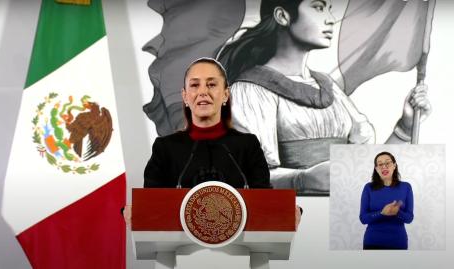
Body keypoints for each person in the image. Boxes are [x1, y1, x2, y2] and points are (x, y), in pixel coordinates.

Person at [218, 0, 431, 195]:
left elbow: (366, 171)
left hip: (343, 220)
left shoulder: (330, 90)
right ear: (283, 16)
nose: (330, 18)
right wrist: (302, 179)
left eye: (329, 8)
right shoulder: (250, 91)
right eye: (318, 7)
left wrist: (404, 127)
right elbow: (245, 179)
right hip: (294, 223)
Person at [124, 57, 302, 228]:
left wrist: (286, 211)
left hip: (240, 252)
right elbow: (151, 205)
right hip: (179, 255)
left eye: (211, 84)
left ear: (225, 94)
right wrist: (133, 211)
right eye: (195, 85)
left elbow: (264, 202)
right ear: (185, 96)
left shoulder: (248, 146)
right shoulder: (165, 148)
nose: (203, 92)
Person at [359, 152, 414, 249]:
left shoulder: (406, 187)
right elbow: (363, 219)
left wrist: (397, 212)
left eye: (387, 163)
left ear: (394, 165)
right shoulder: (368, 188)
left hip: (398, 242)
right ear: (376, 169)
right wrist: (382, 213)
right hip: (373, 242)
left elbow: (409, 218)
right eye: (380, 164)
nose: (384, 166)